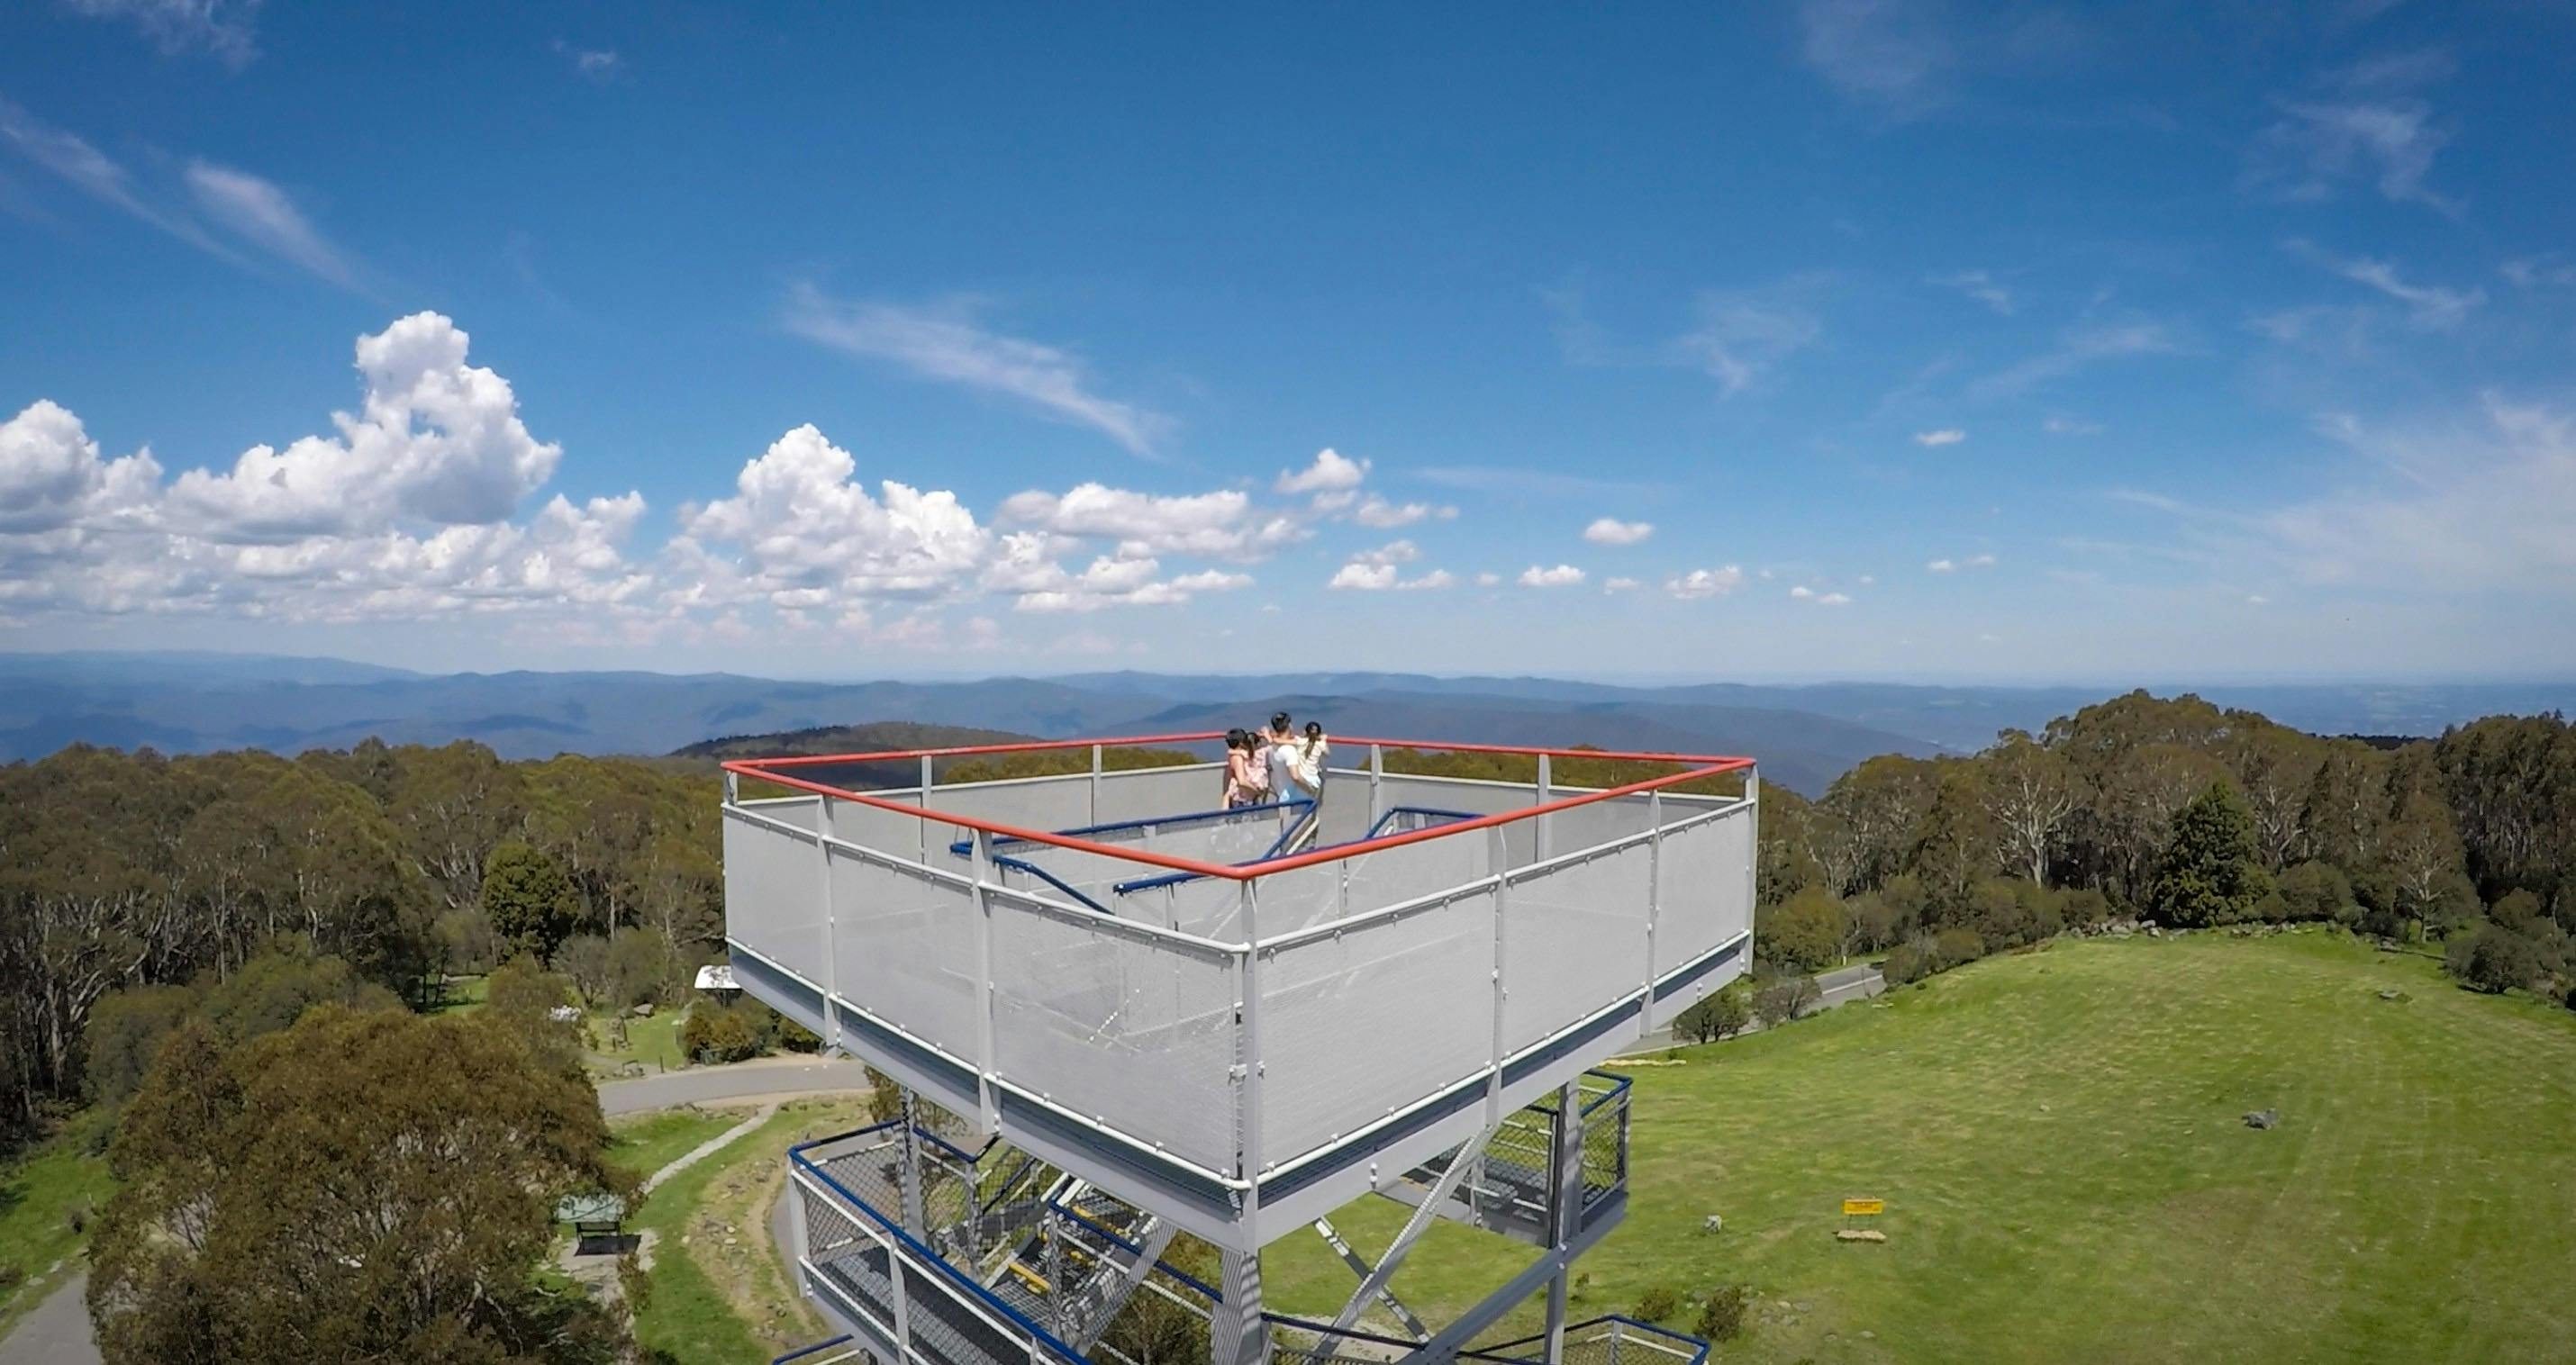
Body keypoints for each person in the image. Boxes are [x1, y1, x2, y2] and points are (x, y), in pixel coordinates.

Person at [1221, 728, 1264, 808]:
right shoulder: (1237, 759)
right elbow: (1242, 781)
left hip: (1242, 799)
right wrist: (1257, 791)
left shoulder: (1233, 757)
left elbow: (1226, 789)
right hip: (1243, 802)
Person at [1264, 712, 1299, 800]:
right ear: (1289, 726)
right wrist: (1309, 787)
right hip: (1294, 797)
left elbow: (1274, 742)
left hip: (1281, 794)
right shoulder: (1289, 750)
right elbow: (1295, 776)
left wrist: (1268, 736)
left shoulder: (1271, 748)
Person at [1291, 720, 1329, 796]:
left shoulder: (1300, 741)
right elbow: (1327, 754)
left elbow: (1282, 741)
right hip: (1314, 780)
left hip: (1302, 781)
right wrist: (1323, 740)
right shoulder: (1320, 745)